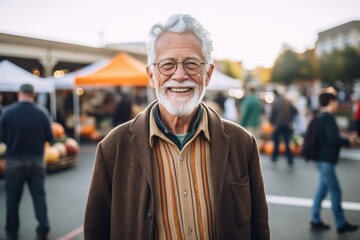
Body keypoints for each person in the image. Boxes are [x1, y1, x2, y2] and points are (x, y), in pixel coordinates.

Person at [84, 14, 269, 239]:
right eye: (167, 64)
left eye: (192, 64)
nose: (180, 75)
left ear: (208, 74)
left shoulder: (242, 143)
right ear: (151, 76)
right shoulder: (112, 147)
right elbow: (96, 230)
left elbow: (259, 227)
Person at [0, 84, 54, 240]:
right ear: (34, 94)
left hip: (14, 161)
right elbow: (50, 138)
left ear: (19, 94)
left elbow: (2, 138)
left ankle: (11, 231)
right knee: (39, 196)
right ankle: (43, 229)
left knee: (12, 198)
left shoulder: (7, 113)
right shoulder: (42, 113)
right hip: (37, 160)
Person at [310, 87, 359, 234]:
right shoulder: (329, 117)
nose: (337, 104)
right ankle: (341, 223)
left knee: (321, 190)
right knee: (335, 191)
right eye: (336, 100)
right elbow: (333, 139)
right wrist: (349, 141)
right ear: (331, 101)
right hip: (326, 161)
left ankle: (315, 219)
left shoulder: (320, 116)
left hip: (319, 159)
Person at [269, 89, 297, 167]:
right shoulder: (287, 101)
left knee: (276, 143)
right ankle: (290, 161)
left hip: (278, 125)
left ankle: (274, 159)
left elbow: (272, 115)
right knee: (287, 143)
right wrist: (290, 119)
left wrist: (272, 122)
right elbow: (295, 111)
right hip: (287, 124)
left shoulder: (275, 102)